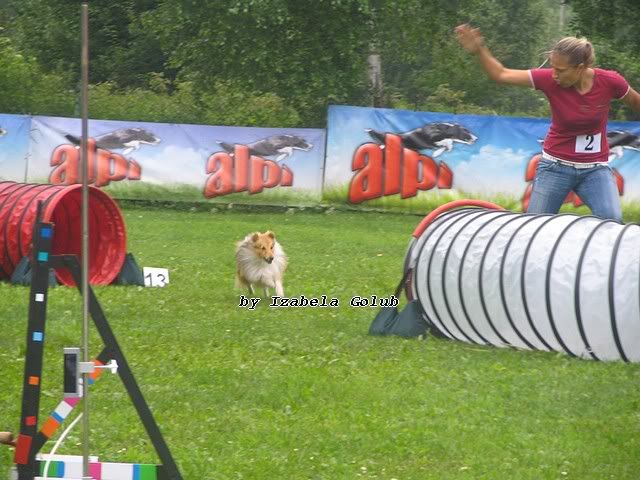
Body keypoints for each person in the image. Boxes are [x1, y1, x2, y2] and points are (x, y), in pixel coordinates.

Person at [455, 24, 640, 222]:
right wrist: (480, 50)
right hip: (555, 167)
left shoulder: (610, 81)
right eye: (552, 67)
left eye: (560, 70)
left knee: (613, 221)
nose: (554, 74)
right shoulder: (549, 80)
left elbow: (636, 102)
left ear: (579, 68)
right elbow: (501, 74)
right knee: (535, 226)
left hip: (595, 169)